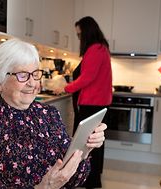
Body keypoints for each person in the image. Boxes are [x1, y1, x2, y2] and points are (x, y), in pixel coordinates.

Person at [0, 38, 107, 189]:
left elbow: (76, 179)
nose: (32, 83)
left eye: (35, 74)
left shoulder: (49, 114)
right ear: (1, 81)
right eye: (22, 75)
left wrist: (84, 151)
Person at [64, 16, 113, 188]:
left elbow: (87, 78)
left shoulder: (95, 49)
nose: (79, 39)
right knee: (95, 144)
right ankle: (93, 179)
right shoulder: (101, 48)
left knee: (88, 145)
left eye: (79, 35)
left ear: (87, 32)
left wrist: (65, 88)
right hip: (97, 104)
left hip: (92, 105)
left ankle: (90, 180)